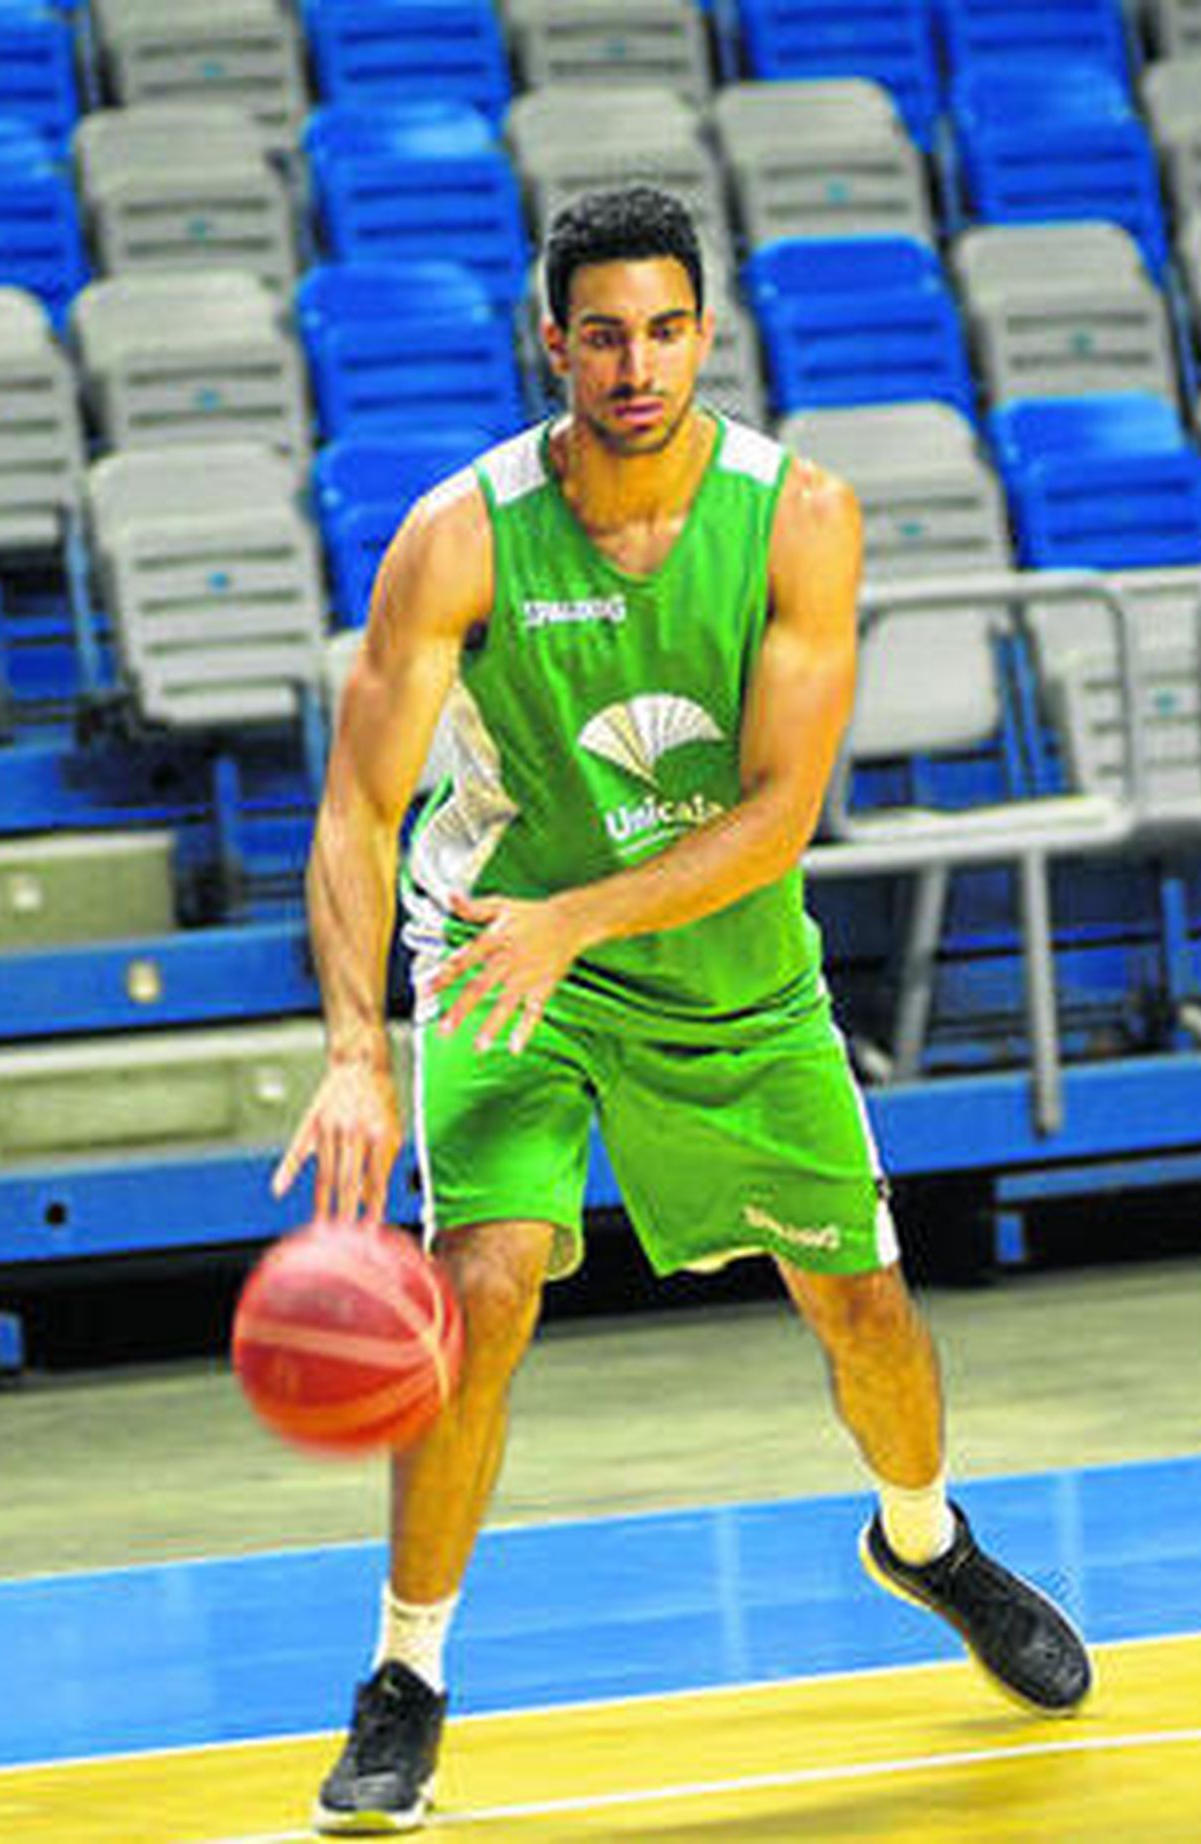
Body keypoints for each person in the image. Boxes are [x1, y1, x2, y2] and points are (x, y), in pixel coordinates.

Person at [273, 185, 1092, 1836]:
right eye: (601, 333)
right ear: (551, 342)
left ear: (706, 335)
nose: (635, 363)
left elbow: (782, 816)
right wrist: (360, 1046)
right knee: (480, 1285)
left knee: (863, 1308)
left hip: (723, 971)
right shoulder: (462, 535)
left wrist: (586, 917)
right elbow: (359, 810)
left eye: (665, 329)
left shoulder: (803, 518)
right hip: (507, 959)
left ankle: (924, 1541)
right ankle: (405, 1681)